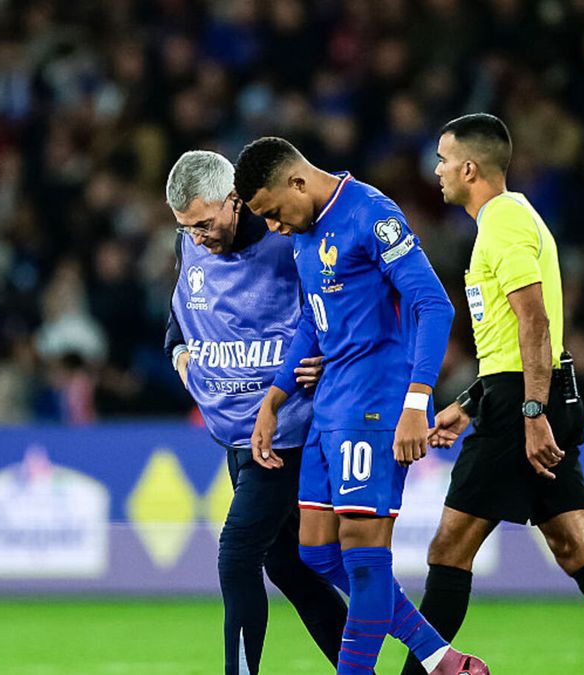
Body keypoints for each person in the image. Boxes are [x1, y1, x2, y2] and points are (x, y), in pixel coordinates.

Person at [402, 113, 584, 675]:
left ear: (470, 168)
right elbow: (510, 345)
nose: (437, 170)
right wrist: (469, 404)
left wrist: (531, 412)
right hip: (527, 394)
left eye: (443, 160)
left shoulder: (504, 222)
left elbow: (534, 322)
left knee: (448, 550)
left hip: (526, 406)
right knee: (576, 547)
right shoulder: (507, 221)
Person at [235, 137, 488, 675]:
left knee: (365, 560)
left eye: (274, 213)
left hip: (375, 405)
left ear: (297, 183)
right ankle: (440, 657)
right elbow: (313, 320)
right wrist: (274, 399)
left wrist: (416, 403)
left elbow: (433, 305)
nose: (275, 228)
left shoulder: (371, 215)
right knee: (316, 552)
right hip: (328, 407)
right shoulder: (305, 236)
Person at [163, 150, 346, 675]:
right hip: (235, 437)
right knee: (291, 566)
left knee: (236, 555)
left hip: (287, 433)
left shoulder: (289, 240)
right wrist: (179, 356)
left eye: (204, 222)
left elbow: (341, 309)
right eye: (186, 228)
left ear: (235, 201)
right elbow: (177, 320)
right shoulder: (189, 247)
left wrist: (326, 360)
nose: (198, 236)